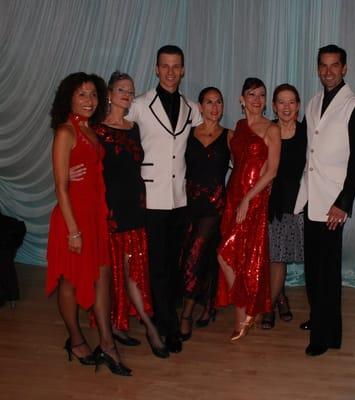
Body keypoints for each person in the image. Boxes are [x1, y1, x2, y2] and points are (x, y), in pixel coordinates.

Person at [70, 72, 169, 358]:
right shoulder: (96, 129)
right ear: (110, 94)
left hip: (135, 207)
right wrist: (66, 173)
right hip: (109, 210)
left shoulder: (135, 127)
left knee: (131, 273)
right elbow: (78, 158)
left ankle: (119, 324)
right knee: (113, 273)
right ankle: (143, 328)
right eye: (122, 89)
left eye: (131, 90)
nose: (127, 94)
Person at [46, 72, 131, 375]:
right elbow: (60, 186)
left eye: (93, 94)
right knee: (70, 282)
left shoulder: (90, 130)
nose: (88, 100)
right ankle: (76, 338)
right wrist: (73, 231)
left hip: (96, 218)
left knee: (103, 280)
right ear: (69, 97)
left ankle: (107, 344)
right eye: (82, 94)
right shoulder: (65, 131)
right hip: (74, 220)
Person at [294, 44, 355, 356]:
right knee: (313, 266)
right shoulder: (313, 103)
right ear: (317, 68)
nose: (328, 71)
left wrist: (344, 202)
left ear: (344, 68)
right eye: (323, 66)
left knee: (327, 270)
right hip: (312, 197)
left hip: (334, 203)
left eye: (334, 65)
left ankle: (325, 336)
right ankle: (320, 319)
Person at [127, 45, 201, 353]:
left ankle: (166, 317)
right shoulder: (140, 105)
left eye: (176, 66)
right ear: (156, 69)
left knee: (175, 264)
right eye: (165, 66)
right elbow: (115, 133)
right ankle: (166, 326)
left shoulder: (191, 107)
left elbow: (207, 141)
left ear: (183, 70)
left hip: (179, 198)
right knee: (157, 265)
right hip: (152, 196)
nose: (170, 72)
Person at [217, 78, 281, 341]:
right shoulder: (239, 127)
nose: (257, 99)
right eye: (251, 94)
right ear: (241, 99)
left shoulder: (271, 129)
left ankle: (245, 311)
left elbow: (272, 171)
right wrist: (235, 196)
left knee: (226, 253)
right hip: (235, 195)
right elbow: (238, 164)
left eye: (261, 95)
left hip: (253, 200)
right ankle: (243, 314)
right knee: (235, 257)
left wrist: (248, 198)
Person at [179, 87, 232, 341]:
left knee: (196, 252)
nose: (214, 107)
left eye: (219, 102)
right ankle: (208, 305)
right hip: (187, 203)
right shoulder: (187, 134)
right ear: (200, 106)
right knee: (202, 256)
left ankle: (186, 314)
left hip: (215, 206)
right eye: (209, 102)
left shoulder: (230, 136)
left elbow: (252, 160)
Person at [261, 84, 307, 329]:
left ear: (298, 105)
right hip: (271, 200)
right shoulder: (269, 130)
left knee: (280, 255)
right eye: (281, 102)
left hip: (296, 202)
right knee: (275, 257)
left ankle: (279, 298)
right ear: (274, 106)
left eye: (291, 102)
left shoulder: (307, 132)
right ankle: (272, 304)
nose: (286, 107)